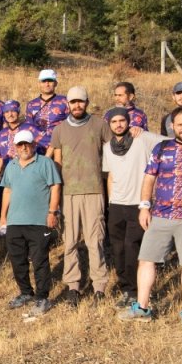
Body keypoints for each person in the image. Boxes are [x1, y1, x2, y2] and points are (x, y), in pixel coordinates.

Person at [119, 109, 182, 326]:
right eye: (180, 125)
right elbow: (149, 178)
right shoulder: (162, 148)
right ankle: (142, 307)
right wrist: (144, 206)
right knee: (147, 260)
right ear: (172, 126)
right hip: (160, 215)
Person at [47, 86, 112, 305]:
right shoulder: (60, 130)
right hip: (69, 192)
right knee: (70, 242)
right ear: (67, 103)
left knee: (96, 241)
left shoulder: (100, 125)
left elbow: (114, 151)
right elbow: (57, 161)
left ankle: (99, 286)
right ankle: (73, 286)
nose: (77, 105)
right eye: (73, 101)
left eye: (81, 101)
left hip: (94, 190)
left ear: (87, 102)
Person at [102, 108, 168, 306]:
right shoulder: (107, 147)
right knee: (118, 249)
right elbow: (111, 175)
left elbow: (171, 142)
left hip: (138, 205)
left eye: (122, 120)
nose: (119, 124)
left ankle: (135, 292)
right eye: (114, 122)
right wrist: (111, 201)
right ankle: (126, 288)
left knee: (133, 248)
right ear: (109, 124)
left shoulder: (143, 139)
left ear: (128, 122)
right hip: (116, 205)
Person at [0, 130, 62, 318]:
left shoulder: (45, 163)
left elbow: (55, 187)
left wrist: (52, 212)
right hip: (15, 221)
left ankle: (42, 297)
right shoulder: (10, 166)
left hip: (38, 221)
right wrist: (3, 216)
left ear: (34, 144)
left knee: (39, 260)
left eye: (27, 144)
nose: (24, 147)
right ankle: (26, 292)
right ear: (15, 147)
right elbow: (7, 191)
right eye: (20, 145)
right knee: (17, 260)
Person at [0, 101, 37, 202]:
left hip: (28, 175)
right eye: (6, 112)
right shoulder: (1, 134)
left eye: (13, 111)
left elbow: (49, 144)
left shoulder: (30, 128)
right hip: (8, 176)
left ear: (18, 112)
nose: (10, 114)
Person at [25, 69, 68, 155]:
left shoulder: (65, 101)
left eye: (50, 81)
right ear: (39, 84)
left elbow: (71, 124)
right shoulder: (31, 104)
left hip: (59, 148)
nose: (47, 84)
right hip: (37, 148)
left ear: (55, 83)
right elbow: (28, 127)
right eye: (44, 81)